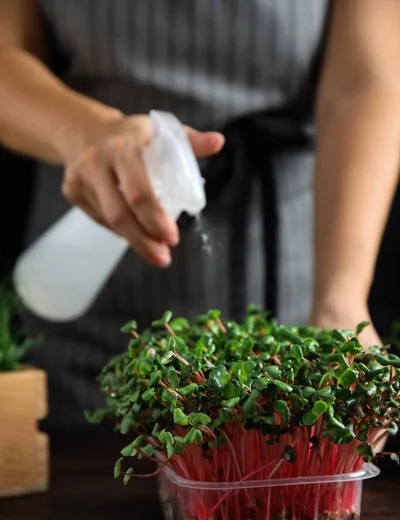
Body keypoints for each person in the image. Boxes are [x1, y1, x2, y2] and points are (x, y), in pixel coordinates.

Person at [1, 0, 399, 430]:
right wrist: (86, 132)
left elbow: (366, 81)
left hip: (291, 274)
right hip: (90, 323)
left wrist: (340, 299)